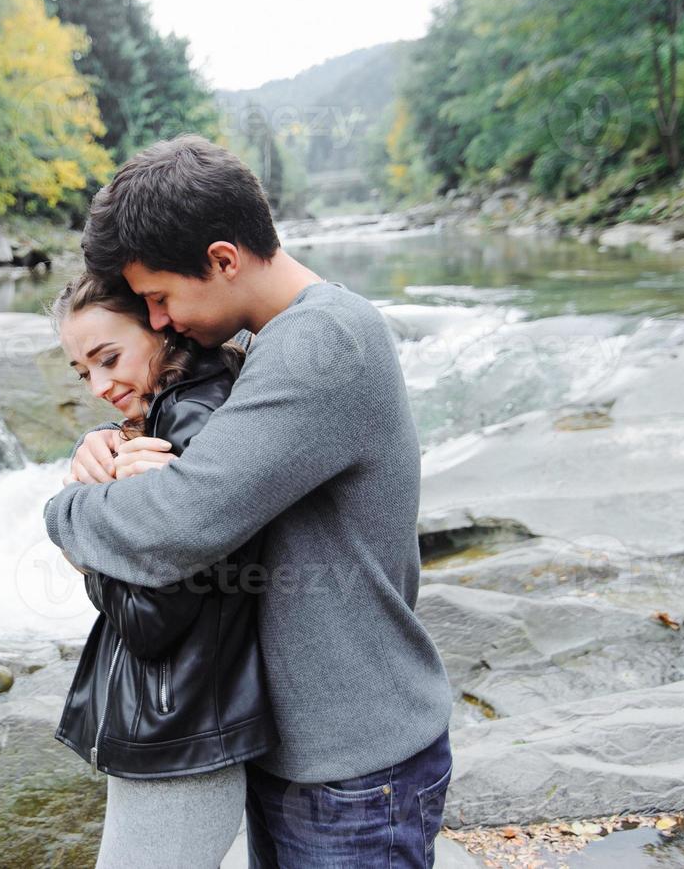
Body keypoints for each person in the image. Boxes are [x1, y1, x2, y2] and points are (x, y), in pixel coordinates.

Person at [44, 134, 454, 868]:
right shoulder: (273, 343)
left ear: (223, 259)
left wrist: (64, 511)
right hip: (307, 751)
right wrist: (107, 445)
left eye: (160, 298)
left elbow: (180, 523)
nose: (160, 322)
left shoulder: (320, 344)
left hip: (354, 768)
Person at [47, 271, 280, 869]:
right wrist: (110, 442)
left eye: (109, 358)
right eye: (83, 372)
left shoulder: (191, 426)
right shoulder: (171, 412)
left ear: (159, 328)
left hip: (180, 735)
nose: (98, 385)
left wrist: (84, 540)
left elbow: (152, 620)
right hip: (181, 727)